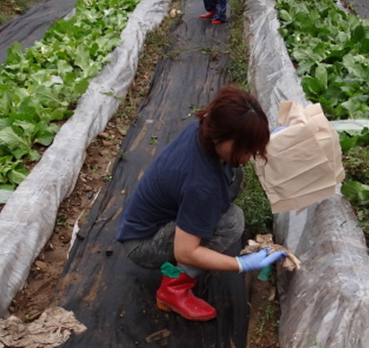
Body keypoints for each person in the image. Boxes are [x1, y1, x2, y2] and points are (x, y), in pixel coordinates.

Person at [116, 86, 286, 321]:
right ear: (220, 137)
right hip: (144, 243)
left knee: (236, 175)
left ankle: (200, 227)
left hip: (149, 219)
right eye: (246, 148)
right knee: (231, 222)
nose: (249, 156)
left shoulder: (206, 125)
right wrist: (240, 264)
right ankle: (172, 289)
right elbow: (185, 252)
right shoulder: (201, 185)